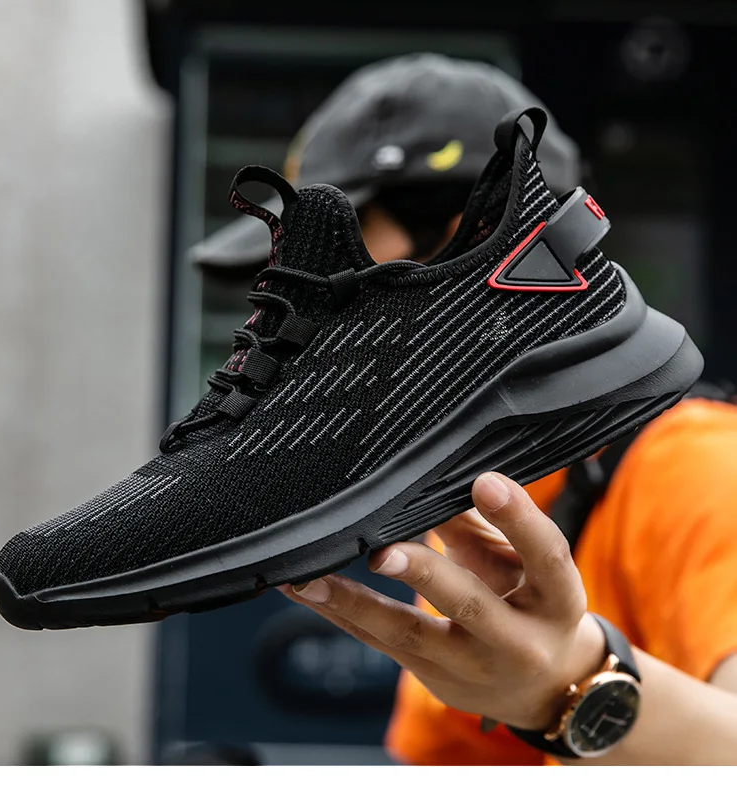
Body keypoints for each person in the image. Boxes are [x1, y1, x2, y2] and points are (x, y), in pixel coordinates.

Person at [193, 53, 737, 765]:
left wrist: (572, 689)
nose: (293, 316)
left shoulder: (697, 469)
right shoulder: (466, 497)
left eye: (328, 264)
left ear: (479, 243)